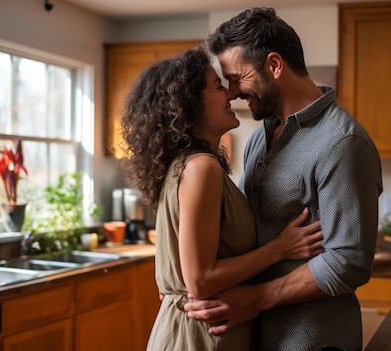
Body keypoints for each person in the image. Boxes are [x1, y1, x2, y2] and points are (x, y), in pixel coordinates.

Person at [184, 8, 384, 351]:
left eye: (236, 77)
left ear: (274, 65)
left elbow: (348, 263)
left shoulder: (343, 143)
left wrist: (257, 298)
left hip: (313, 341)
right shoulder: (260, 138)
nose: (232, 92)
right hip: (254, 335)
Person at [119, 45, 324, 350]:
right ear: (189, 104)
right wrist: (280, 248)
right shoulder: (202, 168)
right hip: (200, 338)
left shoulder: (193, 164)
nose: (231, 94)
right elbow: (200, 280)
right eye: (218, 86)